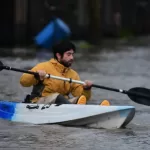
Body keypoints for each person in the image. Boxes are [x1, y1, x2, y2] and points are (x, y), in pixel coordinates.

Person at [20, 40, 110, 105]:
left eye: (72, 54)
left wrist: (86, 89)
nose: (72, 58)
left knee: (79, 99)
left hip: (62, 105)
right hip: (39, 102)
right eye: (68, 54)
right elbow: (23, 82)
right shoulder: (43, 67)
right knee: (58, 97)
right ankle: (77, 112)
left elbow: (81, 96)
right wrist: (35, 75)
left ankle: (97, 110)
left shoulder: (73, 74)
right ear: (58, 55)